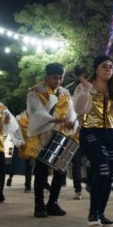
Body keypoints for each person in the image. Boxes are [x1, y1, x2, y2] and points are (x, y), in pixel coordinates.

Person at [73, 58, 113, 227]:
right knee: (103, 167)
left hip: (111, 132)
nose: (108, 68)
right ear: (96, 69)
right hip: (90, 131)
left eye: (110, 66)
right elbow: (78, 108)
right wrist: (86, 89)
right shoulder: (86, 86)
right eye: (104, 66)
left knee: (110, 173)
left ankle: (101, 213)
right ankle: (93, 214)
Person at [27, 63, 77, 218]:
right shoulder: (35, 92)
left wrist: (73, 122)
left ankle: (53, 203)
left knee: (60, 171)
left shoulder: (65, 92)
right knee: (41, 172)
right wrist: (58, 120)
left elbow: (71, 111)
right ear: (46, 77)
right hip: (43, 135)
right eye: (55, 78)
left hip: (61, 135)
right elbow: (37, 114)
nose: (58, 81)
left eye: (61, 78)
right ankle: (39, 205)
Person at [11, 111, 36, 193]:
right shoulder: (21, 117)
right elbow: (16, 131)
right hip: (27, 145)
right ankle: (28, 185)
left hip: (36, 144)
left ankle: (29, 184)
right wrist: (19, 141)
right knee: (29, 165)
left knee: (32, 166)